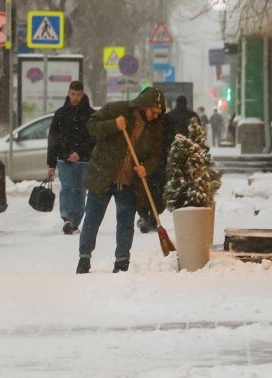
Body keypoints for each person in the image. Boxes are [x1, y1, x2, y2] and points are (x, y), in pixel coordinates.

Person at [77, 87, 166, 274]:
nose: (155, 116)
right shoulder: (117, 109)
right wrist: (114, 125)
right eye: (154, 112)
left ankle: (122, 261)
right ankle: (84, 258)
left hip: (128, 182)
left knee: (125, 222)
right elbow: (92, 126)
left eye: (159, 113)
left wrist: (145, 167)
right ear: (144, 106)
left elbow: (155, 155)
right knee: (92, 219)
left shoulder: (154, 128)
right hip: (102, 175)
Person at [137, 95, 197, 233]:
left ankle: (146, 216)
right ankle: (152, 216)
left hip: (150, 161)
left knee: (147, 190)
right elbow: (174, 138)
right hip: (165, 160)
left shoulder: (169, 117)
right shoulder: (177, 118)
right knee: (159, 190)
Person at [47, 81, 95, 234]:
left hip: (83, 159)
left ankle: (75, 220)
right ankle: (67, 219)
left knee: (80, 190)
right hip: (64, 158)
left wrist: (79, 153)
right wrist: (51, 163)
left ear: (83, 94)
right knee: (67, 189)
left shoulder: (90, 115)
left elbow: (94, 139)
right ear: (68, 93)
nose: (75, 97)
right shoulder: (61, 114)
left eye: (78, 94)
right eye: (73, 94)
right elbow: (53, 138)